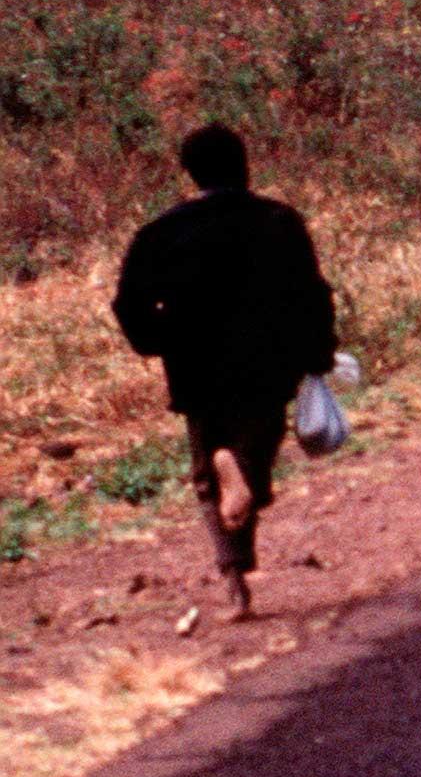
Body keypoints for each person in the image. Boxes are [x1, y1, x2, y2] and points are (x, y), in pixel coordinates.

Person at [112, 126, 337, 621]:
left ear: (190, 173)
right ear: (244, 164)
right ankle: (237, 463)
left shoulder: (161, 232)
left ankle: (235, 582)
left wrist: (158, 340)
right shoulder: (279, 220)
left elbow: (128, 303)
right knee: (255, 445)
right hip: (267, 359)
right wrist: (319, 353)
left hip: (195, 365)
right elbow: (312, 294)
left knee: (205, 480)